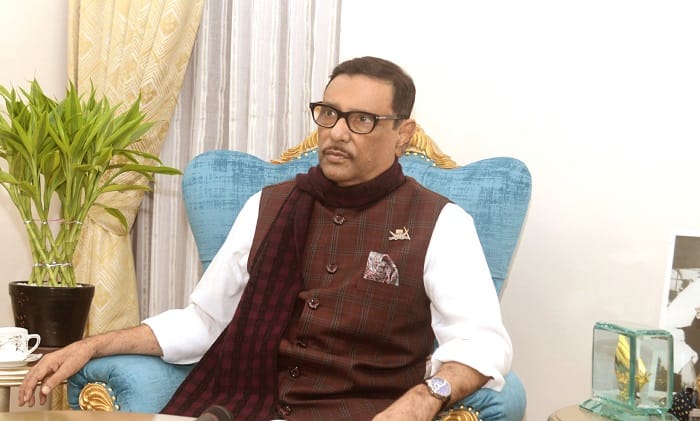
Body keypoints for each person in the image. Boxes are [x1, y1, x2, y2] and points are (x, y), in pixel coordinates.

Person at [19, 56, 512, 421]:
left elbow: (482, 343)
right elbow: (205, 321)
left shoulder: (440, 223)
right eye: (329, 113)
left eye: (362, 120)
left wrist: (425, 398)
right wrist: (93, 345)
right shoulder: (269, 206)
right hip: (246, 407)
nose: (337, 133)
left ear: (402, 134)